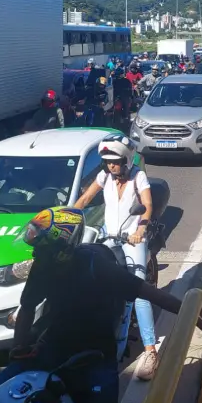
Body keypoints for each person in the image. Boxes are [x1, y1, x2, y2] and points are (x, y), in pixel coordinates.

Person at [0, 205, 202, 403]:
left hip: (95, 354)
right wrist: (20, 346)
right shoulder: (43, 267)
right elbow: (27, 308)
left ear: (60, 249)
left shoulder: (97, 267)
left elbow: (152, 294)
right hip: (52, 345)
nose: (36, 253)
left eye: (41, 248)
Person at [74, 134, 159, 380]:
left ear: (126, 160)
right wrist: (67, 217)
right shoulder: (105, 176)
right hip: (109, 236)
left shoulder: (137, 176)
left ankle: (151, 350)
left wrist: (141, 229)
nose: (111, 166)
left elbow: (148, 205)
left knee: (139, 290)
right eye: (107, 161)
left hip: (133, 239)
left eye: (115, 161)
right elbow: (86, 198)